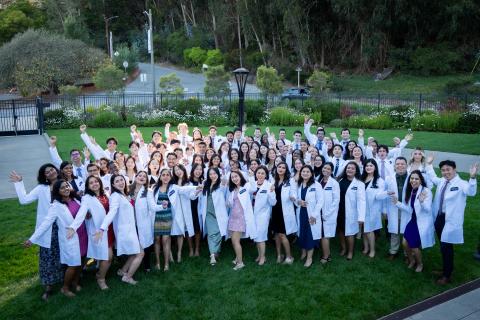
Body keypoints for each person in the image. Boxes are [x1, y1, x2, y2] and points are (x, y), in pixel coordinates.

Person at [10, 164, 63, 301]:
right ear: (44, 176)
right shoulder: (41, 188)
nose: (50, 172)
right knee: (47, 257)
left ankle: (66, 281)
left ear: (56, 170)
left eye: (51, 169)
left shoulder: (64, 184)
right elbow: (24, 200)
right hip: (47, 229)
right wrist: (19, 183)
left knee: (63, 253)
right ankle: (48, 286)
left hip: (64, 226)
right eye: (47, 172)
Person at [425, 157, 478, 285]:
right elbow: (433, 178)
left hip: (450, 220)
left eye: (448, 169)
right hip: (439, 218)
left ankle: (447, 275)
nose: (445, 172)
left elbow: (471, 192)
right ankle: (445, 269)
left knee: (446, 246)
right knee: (443, 247)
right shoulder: (443, 181)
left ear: (455, 169)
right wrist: (429, 165)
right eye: (443, 170)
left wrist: (472, 178)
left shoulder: (461, 184)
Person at [25, 180, 82, 297]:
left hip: (82, 235)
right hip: (69, 238)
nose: (66, 188)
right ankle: (65, 288)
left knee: (79, 262)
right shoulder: (56, 206)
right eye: (62, 188)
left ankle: (75, 283)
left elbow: (82, 212)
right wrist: (32, 239)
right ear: (57, 191)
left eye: (67, 186)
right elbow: (46, 223)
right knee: (73, 264)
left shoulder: (75, 198)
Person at [95, 174, 144, 285]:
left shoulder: (124, 195)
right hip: (125, 231)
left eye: (122, 180)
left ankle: (122, 271)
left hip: (130, 230)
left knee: (133, 253)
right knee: (140, 253)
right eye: (117, 181)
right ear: (113, 184)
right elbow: (111, 213)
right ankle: (128, 277)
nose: (121, 182)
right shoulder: (115, 196)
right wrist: (102, 228)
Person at [68, 175, 113, 290]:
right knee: (107, 256)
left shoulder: (105, 194)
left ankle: (100, 274)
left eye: (96, 181)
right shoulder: (87, 198)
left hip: (110, 228)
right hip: (99, 230)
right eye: (91, 183)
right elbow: (81, 214)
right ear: (88, 186)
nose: (94, 184)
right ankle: (100, 278)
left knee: (108, 256)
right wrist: (73, 227)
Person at [392, 170, 435, 273]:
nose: (413, 181)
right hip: (413, 221)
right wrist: (397, 203)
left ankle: (420, 263)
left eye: (416, 179)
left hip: (422, 222)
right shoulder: (411, 190)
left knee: (414, 246)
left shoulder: (426, 191)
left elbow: (428, 209)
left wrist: (421, 201)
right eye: (412, 178)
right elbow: (410, 209)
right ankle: (412, 260)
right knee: (404, 243)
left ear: (421, 180)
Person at [293, 165, 324, 267]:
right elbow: (295, 198)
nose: (305, 173)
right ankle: (304, 252)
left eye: (307, 171)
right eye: (303, 171)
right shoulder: (299, 184)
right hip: (301, 213)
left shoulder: (316, 185)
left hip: (311, 214)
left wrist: (314, 215)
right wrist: (298, 201)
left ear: (311, 174)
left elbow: (320, 201)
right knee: (302, 233)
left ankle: (309, 258)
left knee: (310, 235)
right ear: (300, 173)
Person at [227, 171, 257, 270]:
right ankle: (237, 257)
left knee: (236, 241)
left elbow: (254, 188)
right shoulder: (233, 190)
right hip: (232, 218)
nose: (234, 178)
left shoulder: (246, 186)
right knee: (233, 240)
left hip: (241, 219)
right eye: (232, 177)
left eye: (236, 176)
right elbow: (230, 204)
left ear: (240, 177)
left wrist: (252, 177)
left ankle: (240, 263)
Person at [199, 167, 229, 265]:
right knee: (212, 233)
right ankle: (212, 254)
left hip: (219, 212)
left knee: (219, 232)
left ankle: (216, 252)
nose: (212, 176)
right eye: (210, 174)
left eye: (214, 173)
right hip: (208, 212)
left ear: (218, 174)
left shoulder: (222, 184)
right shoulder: (206, 185)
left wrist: (223, 174)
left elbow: (226, 181)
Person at [336, 161, 366, 260]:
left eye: (353, 168)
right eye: (348, 168)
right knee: (340, 230)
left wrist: (361, 217)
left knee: (350, 233)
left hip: (351, 212)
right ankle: (344, 248)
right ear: (345, 169)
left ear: (356, 171)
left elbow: (362, 201)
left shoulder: (359, 184)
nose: (350, 170)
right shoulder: (340, 180)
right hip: (339, 210)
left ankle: (350, 252)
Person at [360, 159, 388, 258]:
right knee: (364, 229)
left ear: (375, 167)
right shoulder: (362, 178)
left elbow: (379, 197)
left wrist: (386, 193)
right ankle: (366, 248)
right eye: (367, 166)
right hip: (362, 208)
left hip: (373, 209)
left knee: (369, 230)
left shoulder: (380, 181)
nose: (368, 167)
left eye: (371, 166)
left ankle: (372, 250)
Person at [249, 166, 277, 265]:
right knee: (256, 236)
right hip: (252, 214)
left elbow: (273, 203)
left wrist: (272, 192)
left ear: (266, 175)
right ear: (256, 174)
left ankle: (263, 257)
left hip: (263, 215)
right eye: (258, 173)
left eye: (262, 173)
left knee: (261, 236)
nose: (260, 175)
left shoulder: (269, 186)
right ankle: (259, 255)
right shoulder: (252, 184)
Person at [271, 162, 297, 264]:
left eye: (283, 168)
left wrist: (293, 197)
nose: (281, 169)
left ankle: (289, 257)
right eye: (279, 167)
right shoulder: (273, 180)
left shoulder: (290, 181)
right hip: (275, 210)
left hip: (284, 211)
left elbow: (293, 192)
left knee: (282, 235)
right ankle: (279, 255)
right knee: (276, 235)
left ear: (286, 170)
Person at [129, 171, 155, 272]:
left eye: (144, 176)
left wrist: (162, 206)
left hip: (143, 222)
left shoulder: (147, 191)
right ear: (136, 177)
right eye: (140, 175)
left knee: (146, 244)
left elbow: (152, 206)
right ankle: (130, 264)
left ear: (146, 180)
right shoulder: (128, 189)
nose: (142, 177)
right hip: (130, 221)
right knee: (133, 244)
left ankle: (146, 265)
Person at [384, 157, 409, 259]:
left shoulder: (412, 177)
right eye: (397, 164)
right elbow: (385, 195)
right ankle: (393, 251)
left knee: (407, 231)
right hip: (393, 208)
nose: (400, 166)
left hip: (407, 209)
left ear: (406, 165)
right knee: (394, 230)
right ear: (394, 166)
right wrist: (384, 210)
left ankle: (408, 253)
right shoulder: (389, 178)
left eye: (402, 164)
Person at [319, 162, 340, 264]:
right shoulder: (319, 180)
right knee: (322, 234)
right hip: (319, 212)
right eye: (324, 168)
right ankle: (328, 253)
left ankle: (326, 256)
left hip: (329, 213)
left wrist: (327, 214)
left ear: (331, 171)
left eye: (328, 169)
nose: (326, 170)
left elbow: (336, 201)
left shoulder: (334, 183)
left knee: (325, 235)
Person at [188, 163, 204, 257]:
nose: (198, 171)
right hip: (190, 206)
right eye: (196, 169)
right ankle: (191, 249)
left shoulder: (203, 181)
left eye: (200, 169)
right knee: (190, 228)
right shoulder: (188, 181)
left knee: (198, 228)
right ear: (193, 170)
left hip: (199, 207)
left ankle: (197, 249)